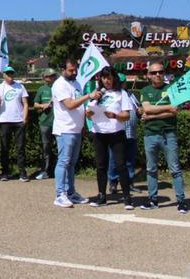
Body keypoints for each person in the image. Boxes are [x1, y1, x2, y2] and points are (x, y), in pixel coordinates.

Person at [52, 59, 102, 208]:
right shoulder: (60, 85)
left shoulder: (76, 83)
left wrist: (83, 125)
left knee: (72, 163)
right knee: (63, 161)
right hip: (64, 129)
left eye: (75, 70)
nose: (74, 73)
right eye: (71, 70)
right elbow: (70, 105)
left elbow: (80, 107)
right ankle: (60, 194)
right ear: (62, 69)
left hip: (76, 129)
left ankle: (71, 192)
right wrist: (88, 96)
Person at [139, 62, 188, 214]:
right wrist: (166, 108)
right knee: (151, 169)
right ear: (149, 75)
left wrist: (151, 115)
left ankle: (181, 201)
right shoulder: (145, 90)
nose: (157, 75)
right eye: (154, 73)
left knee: (175, 169)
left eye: (160, 72)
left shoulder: (171, 89)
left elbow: (174, 112)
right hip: (150, 135)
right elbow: (146, 108)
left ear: (164, 73)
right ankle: (153, 200)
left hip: (168, 134)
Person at [84, 67, 133, 209]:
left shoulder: (121, 93)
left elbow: (126, 115)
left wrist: (115, 115)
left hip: (116, 132)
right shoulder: (98, 95)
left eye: (109, 78)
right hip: (99, 133)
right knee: (101, 166)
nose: (107, 81)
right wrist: (91, 112)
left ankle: (127, 197)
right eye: (104, 78)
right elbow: (88, 112)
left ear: (114, 79)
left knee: (120, 165)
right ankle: (101, 196)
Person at [0, 66, 29, 182]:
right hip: (5, 120)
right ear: (4, 75)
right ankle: (5, 172)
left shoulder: (20, 86)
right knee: (4, 148)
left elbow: (25, 103)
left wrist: (24, 118)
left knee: (20, 147)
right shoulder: (0, 87)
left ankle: (22, 172)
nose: (10, 76)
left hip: (18, 121)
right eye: (8, 74)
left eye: (12, 74)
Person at [108, 73, 140, 195]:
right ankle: (113, 183)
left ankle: (129, 182)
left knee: (130, 159)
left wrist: (139, 112)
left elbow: (137, 109)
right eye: (120, 82)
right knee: (114, 159)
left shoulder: (131, 95)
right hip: (117, 132)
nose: (122, 84)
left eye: (123, 82)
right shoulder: (114, 95)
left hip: (131, 132)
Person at [32, 68, 58, 180]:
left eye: (53, 76)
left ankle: (59, 171)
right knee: (46, 147)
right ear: (44, 78)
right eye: (48, 76)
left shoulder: (59, 88)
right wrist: (44, 106)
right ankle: (45, 171)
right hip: (45, 122)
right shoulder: (41, 89)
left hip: (59, 123)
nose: (51, 78)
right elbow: (35, 104)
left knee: (60, 148)